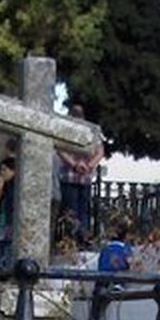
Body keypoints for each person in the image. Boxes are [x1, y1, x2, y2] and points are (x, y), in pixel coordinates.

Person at [55, 103, 103, 243]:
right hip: (80, 175)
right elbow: (100, 150)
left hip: (74, 175)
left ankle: (76, 239)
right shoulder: (91, 130)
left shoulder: (67, 128)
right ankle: (78, 239)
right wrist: (88, 165)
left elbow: (59, 148)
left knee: (74, 211)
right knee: (79, 211)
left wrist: (78, 165)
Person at [0, 156, 17, 273]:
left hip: (10, 225)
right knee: (0, 250)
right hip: (2, 224)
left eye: (4, 170)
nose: (2, 173)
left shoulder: (15, 187)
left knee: (7, 251)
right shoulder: (4, 186)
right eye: (1, 170)